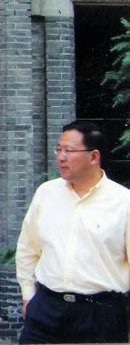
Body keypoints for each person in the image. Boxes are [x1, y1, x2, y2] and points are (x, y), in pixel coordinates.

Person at [16, 120, 130, 344]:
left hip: (100, 312)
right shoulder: (46, 193)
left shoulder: (123, 201)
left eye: (69, 151)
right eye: (59, 149)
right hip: (46, 308)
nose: (60, 157)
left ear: (94, 156)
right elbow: (28, 249)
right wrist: (28, 294)